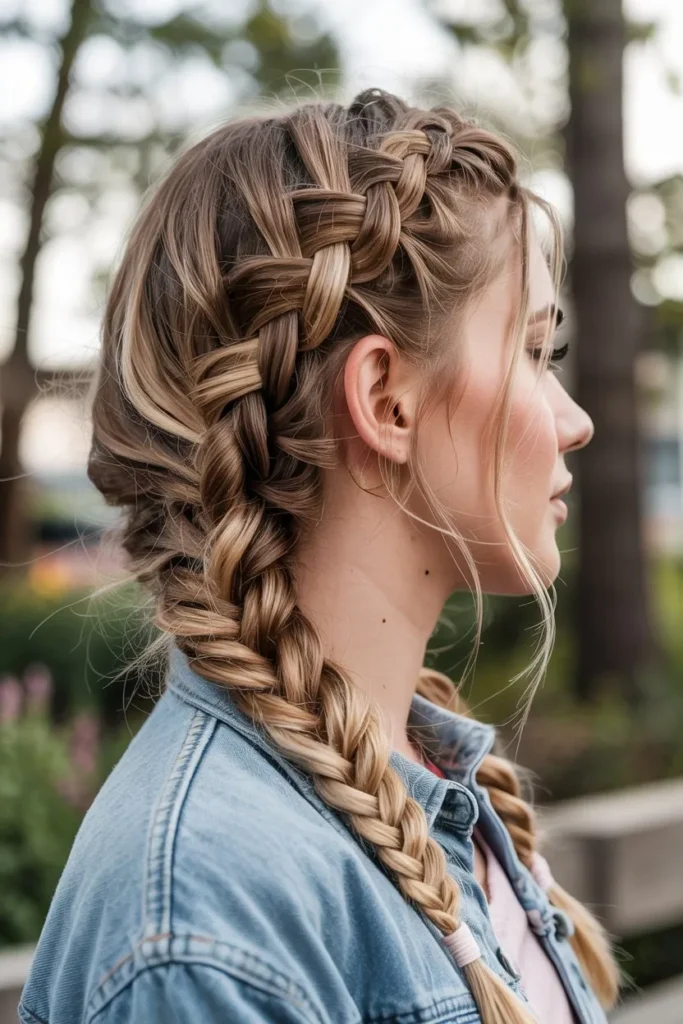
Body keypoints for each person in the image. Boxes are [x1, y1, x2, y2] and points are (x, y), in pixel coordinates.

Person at [18, 88, 620, 1024]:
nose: (573, 422)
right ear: (385, 401)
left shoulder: (435, 787)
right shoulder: (207, 918)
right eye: (536, 353)